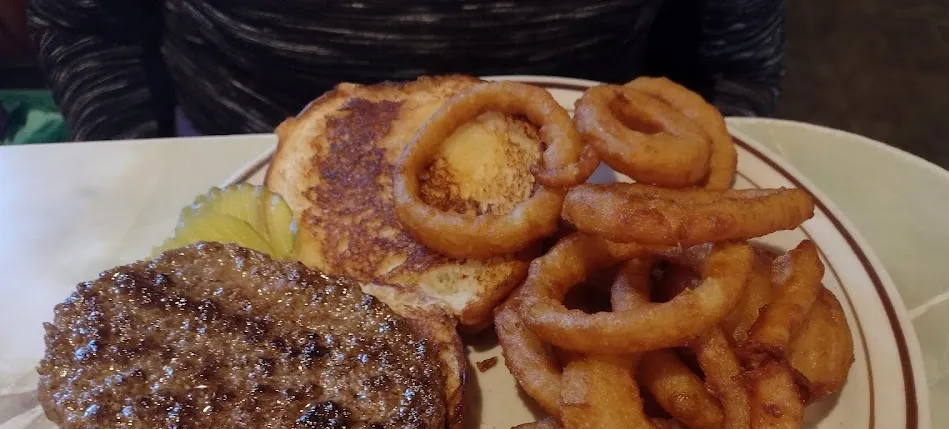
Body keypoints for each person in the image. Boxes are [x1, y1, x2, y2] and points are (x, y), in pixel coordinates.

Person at [27, 0, 787, 141]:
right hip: (234, 160)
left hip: (592, 187)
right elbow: (85, 23)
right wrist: (150, 176)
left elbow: (731, 53)